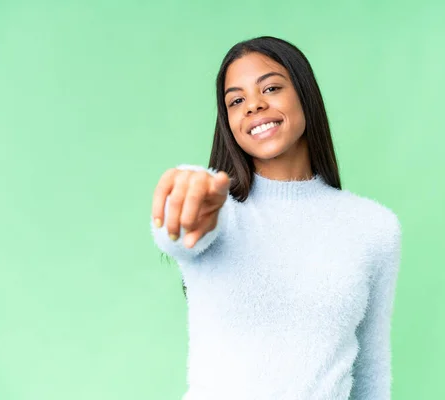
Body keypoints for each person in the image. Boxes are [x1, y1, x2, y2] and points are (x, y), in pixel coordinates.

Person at [150, 36, 402, 400]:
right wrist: (188, 202)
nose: (253, 105)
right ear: (229, 122)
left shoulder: (374, 227)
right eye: (236, 100)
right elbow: (179, 232)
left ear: (304, 95)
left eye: (270, 87)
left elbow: (370, 371)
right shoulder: (218, 210)